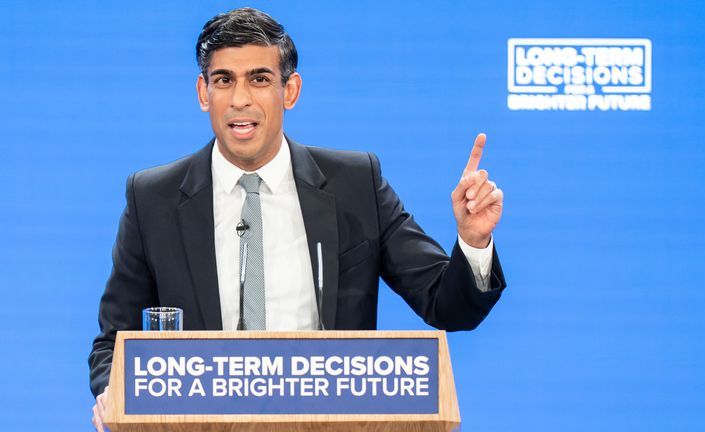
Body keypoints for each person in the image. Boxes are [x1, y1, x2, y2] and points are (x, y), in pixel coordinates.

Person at [90, 7, 505, 431]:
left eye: (260, 79)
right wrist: (114, 395)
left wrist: (472, 242)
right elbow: (112, 343)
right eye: (223, 80)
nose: (240, 99)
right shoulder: (152, 197)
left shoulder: (355, 184)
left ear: (290, 90)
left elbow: (448, 306)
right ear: (203, 92)